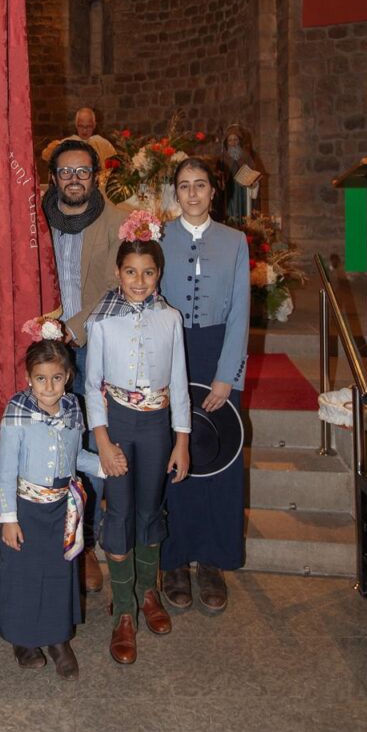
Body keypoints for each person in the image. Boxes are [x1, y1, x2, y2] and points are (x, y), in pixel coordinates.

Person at [85, 222, 191, 664]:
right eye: (131, 271)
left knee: (150, 509)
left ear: (158, 274)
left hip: (156, 426)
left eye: (148, 272)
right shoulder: (101, 321)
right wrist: (103, 441)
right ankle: (123, 610)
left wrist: (181, 441)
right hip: (118, 425)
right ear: (118, 273)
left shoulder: (171, 319)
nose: (140, 281)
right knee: (120, 513)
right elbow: (92, 385)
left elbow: (179, 383)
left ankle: (148, 592)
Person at [159, 157, 250, 613]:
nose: (192, 193)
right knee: (172, 459)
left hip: (217, 354)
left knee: (217, 458)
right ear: (175, 192)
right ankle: (175, 559)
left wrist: (226, 377)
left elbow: (240, 311)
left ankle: (212, 560)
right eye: (184, 186)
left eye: (200, 185)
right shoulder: (157, 237)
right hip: (170, 352)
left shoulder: (235, 242)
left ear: (214, 191)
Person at [0, 339, 105, 680]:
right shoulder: (17, 412)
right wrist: (8, 518)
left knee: (60, 575)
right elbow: (6, 471)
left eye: (56, 378)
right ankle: (23, 640)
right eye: (41, 378)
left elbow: (76, 457)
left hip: (62, 511)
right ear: (29, 378)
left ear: (68, 376)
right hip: (26, 511)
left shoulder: (73, 408)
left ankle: (58, 640)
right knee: (24, 576)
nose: (49, 387)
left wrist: (106, 466)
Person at [41, 139, 123, 592]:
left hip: (92, 346)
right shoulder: (36, 220)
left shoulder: (114, 221)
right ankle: (54, 531)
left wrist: (72, 329)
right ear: (54, 177)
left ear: (96, 176)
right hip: (44, 348)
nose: (74, 180)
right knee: (52, 439)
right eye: (66, 172)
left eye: (83, 172)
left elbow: (115, 287)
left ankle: (88, 541)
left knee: (92, 440)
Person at [41, 107, 116, 168]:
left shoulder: (104, 145)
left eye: (88, 126)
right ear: (76, 125)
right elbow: (46, 155)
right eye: (81, 126)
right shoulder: (66, 143)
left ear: (94, 125)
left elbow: (115, 167)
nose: (84, 130)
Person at [220, 124, 259, 220]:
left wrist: (252, 181)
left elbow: (254, 172)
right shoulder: (223, 158)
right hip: (229, 190)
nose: (233, 143)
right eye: (230, 140)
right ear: (226, 143)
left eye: (235, 140)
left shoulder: (246, 156)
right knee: (229, 211)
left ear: (239, 141)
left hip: (243, 190)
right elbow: (219, 174)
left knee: (244, 211)